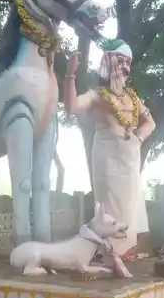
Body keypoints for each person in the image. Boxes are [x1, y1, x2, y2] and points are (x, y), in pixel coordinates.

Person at [63, 37, 156, 259]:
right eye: (120, 61)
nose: (124, 68)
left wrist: (139, 136)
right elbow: (72, 106)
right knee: (110, 206)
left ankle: (126, 252)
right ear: (108, 62)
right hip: (107, 159)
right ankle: (110, 252)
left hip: (130, 159)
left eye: (128, 63)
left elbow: (150, 122)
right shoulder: (97, 95)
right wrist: (70, 76)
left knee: (130, 205)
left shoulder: (132, 97)